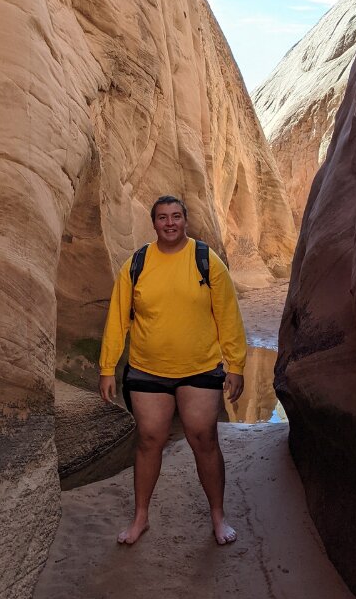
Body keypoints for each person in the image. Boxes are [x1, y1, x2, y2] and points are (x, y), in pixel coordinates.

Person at [97, 195, 246, 546]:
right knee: (149, 440)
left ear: (185, 220)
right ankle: (140, 518)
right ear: (154, 223)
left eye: (176, 216)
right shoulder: (136, 264)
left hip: (199, 369)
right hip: (147, 370)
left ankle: (218, 516)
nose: (170, 223)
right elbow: (117, 319)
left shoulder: (205, 260)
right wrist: (107, 368)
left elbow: (228, 316)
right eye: (162, 217)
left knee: (204, 438)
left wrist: (235, 364)